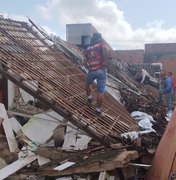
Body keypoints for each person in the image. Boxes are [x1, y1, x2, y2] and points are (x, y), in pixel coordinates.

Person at [84, 32, 108, 116]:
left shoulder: (88, 48)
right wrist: (104, 64)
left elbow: (84, 61)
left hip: (92, 71)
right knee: (100, 92)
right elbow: (105, 52)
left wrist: (89, 68)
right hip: (101, 70)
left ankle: (89, 99)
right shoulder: (101, 45)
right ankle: (98, 111)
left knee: (87, 84)